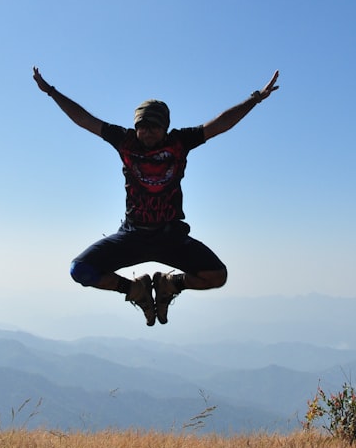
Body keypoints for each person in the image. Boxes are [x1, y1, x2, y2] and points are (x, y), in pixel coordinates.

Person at [32, 66, 279, 326]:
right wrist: (50, 92)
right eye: (142, 126)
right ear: (135, 127)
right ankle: (134, 290)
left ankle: (169, 284)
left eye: (154, 126)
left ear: (165, 128)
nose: (147, 131)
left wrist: (255, 98)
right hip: (132, 236)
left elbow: (219, 125)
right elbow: (84, 120)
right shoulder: (125, 141)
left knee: (217, 276)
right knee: (80, 270)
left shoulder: (180, 142)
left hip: (170, 236)